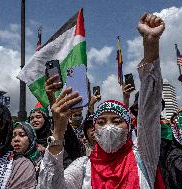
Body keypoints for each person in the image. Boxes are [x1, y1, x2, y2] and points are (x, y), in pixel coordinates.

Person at [38, 13, 165, 189]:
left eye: (117, 121)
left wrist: (150, 44)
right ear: (94, 129)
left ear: (129, 128)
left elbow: (150, 106)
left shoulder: (143, 155)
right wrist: (59, 130)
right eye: (101, 121)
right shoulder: (82, 166)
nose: (108, 126)